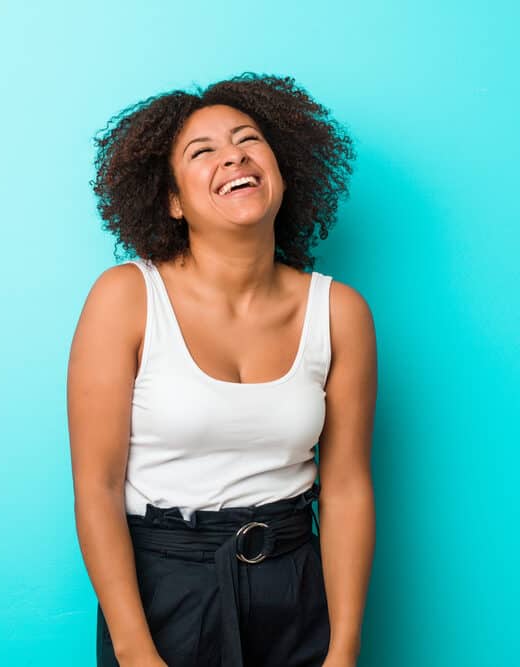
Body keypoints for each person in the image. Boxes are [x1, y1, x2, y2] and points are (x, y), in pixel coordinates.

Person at [66, 72, 376, 667]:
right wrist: (133, 649)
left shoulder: (339, 312)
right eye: (201, 152)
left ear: (282, 170)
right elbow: (97, 487)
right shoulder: (126, 298)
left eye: (248, 140)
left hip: (295, 585)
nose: (233, 155)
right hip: (165, 591)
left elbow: (345, 489)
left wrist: (343, 649)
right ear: (174, 202)